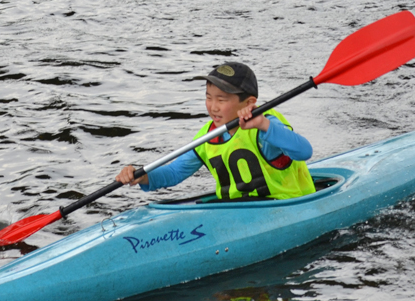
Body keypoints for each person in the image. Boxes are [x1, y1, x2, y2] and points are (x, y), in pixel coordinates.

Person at [115, 62, 316, 200]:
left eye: (221, 99)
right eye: (209, 97)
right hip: (238, 211)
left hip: (285, 204)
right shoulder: (208, 136)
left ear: (249, 103)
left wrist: (263, 125)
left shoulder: (266, 126)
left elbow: (304, 151)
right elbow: (175, 172)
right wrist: (143, 176)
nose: (213, 107)